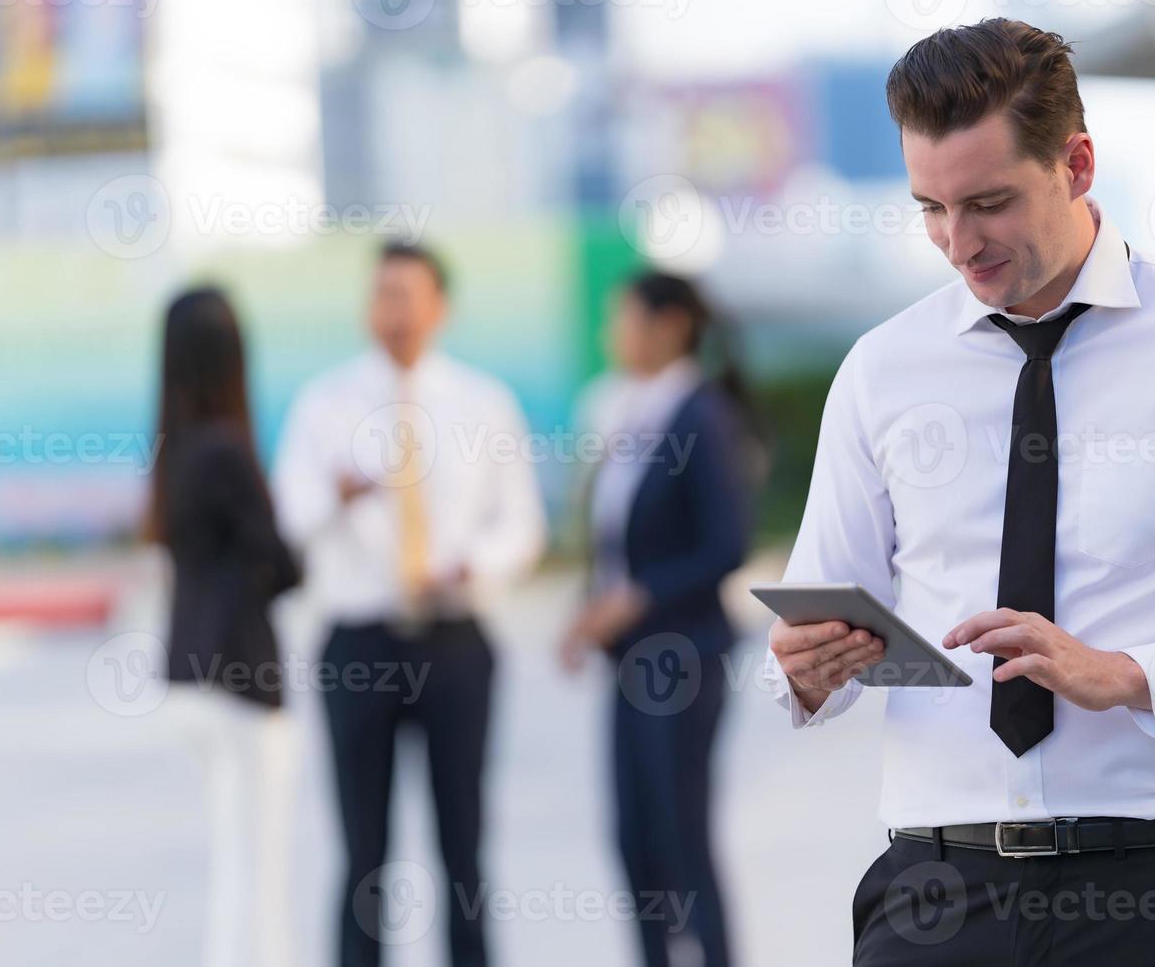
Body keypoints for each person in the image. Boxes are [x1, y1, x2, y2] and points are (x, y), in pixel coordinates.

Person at [763, 19, 1155, 966]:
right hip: (932, 899)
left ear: (1078, 162)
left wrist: (1129, 674)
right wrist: (805, 673)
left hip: (1147, 896)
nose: (958, 245)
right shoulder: (881, 370)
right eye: (931, 207)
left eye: (989, 202)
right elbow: (824, 626)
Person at [273, 242, 546, 967]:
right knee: (364, 848)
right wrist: (337, 492)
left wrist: (471, 565)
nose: (393, 310)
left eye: (407, 294)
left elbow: (520, 527)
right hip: (359, 641)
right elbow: (288, 514)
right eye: (382, 294)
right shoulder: (324, 403)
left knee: (465, 842)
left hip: (455, 640)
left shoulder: (483, 403)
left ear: (440, 308)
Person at [560, 272, 756, 967]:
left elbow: (725, 545)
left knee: (681, 833)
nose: (612, 332)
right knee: (634, 837)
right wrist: (589, 610)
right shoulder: (630, 412)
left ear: (669, 325)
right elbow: (616, 540)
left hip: (682, 657)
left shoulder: (701, 416)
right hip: (629, 660)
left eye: (623, 316)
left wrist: (635, 598)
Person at [146, 286, 302, 967]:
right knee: (257, 875)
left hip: (189, 676)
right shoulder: (226, 451)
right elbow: (283, 563)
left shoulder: (173, 449)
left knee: (233, 866)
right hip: (239, 680)